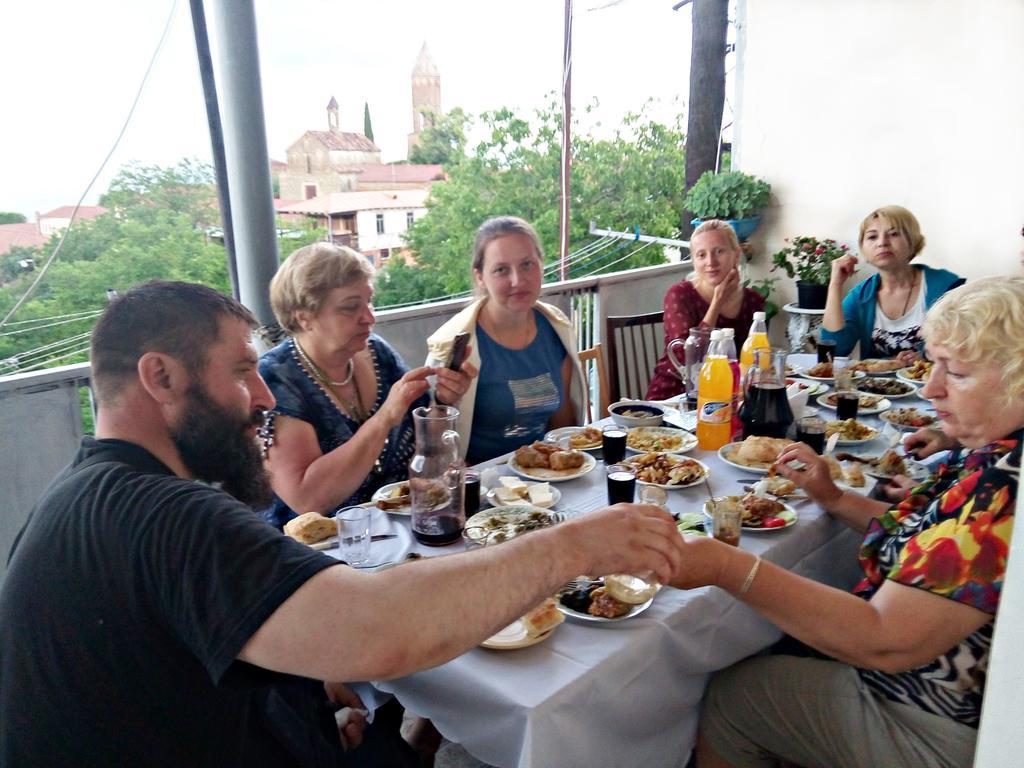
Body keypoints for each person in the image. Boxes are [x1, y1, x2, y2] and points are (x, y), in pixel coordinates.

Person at [0, 280, 685, 767]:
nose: (263, 394)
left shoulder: (83, 494)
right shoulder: (166, 515)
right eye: (242, 370)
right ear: (160, 376)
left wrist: (302, 704)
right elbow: (381, 632)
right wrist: (573, 544)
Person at [671, 277, 1023, 768]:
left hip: (941, 722)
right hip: (953, 693)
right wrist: (832, 496)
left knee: (735, 693)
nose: (929, 387)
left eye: (957, 373)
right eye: (934, 365)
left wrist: (727, 567)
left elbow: (882, 639)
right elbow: (936, 547)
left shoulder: (1004, 488)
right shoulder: (997, 456)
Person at [259, 243, 476, 528]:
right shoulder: (276, 379)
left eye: (369, 302)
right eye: (351, 308)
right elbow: (308, 500)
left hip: (396, 526)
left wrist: (446, 402)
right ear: (304, 317)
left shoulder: (376, 352)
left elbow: (427, 447)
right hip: (319, 546)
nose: (370, 318)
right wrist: (384, 418)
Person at [426, 216, 586, 464]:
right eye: (501, 270)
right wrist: (441, 402)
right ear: (480, 277)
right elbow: (431, 447)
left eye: (527, 265)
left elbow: (563, 427)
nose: (517, 281)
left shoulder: (556, 329)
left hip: (544, 477)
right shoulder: (452, 345)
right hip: (479, 484)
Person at [821, 205, 964, 361]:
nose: (882, 242)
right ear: (863, 248)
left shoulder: (946, 287)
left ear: (912, 241)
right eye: (872, 237)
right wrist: (835, 285)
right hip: (876, 384)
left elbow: (964, 344)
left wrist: (925, 355)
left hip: (934, 382)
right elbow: (834, 351)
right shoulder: (861, 295)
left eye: (894, 234)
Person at [646, 220, 765, 400]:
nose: (711, 262)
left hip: (727, 399)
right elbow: (688, 359)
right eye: (701, 255)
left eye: (719, 251)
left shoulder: (753, 301)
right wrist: (717, 302)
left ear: (736, 254)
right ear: (694, 261)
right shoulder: (680, 295)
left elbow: (756, 362)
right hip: (675, 398)